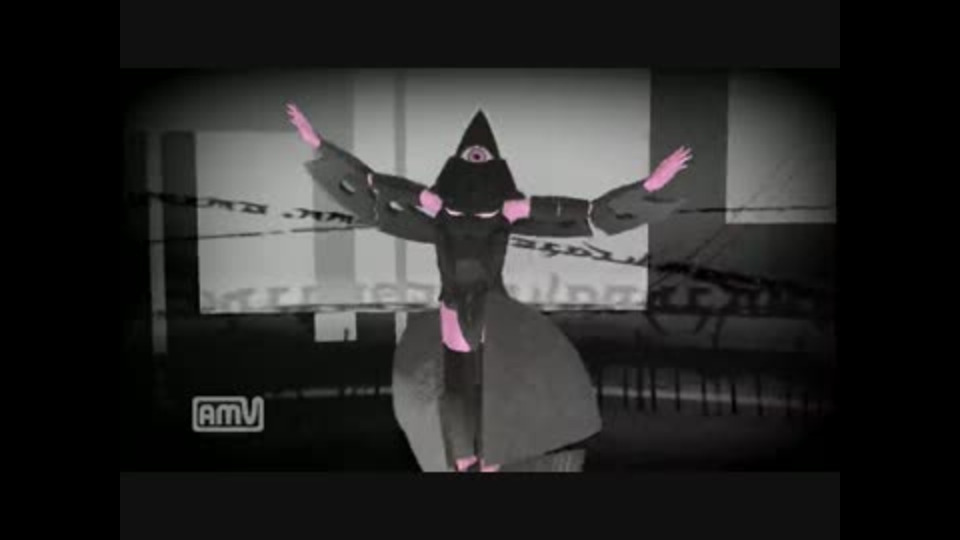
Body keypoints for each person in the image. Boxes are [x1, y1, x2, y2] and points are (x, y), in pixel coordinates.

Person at [287, 104, 692, 472]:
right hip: (454, 307)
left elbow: (592, 213)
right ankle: (468, 460)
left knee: (496, 384)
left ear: (496, 165)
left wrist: (650, 185)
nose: (477, 154)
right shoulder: (436, 204)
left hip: (492, 308)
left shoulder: (510, 210)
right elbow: (371, 184)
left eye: (483, 152)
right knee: (459, 387)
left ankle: (491, 459)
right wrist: (318, 144)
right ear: (458, 163)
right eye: (471, 152)